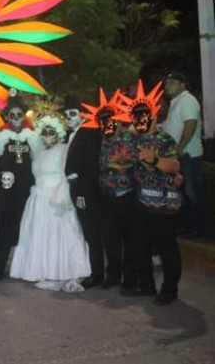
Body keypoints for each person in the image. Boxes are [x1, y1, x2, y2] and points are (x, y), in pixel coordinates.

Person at [6, 108, 91, 292]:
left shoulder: (64, 150)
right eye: (44, 133)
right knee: (38, 235)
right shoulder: (39, 153)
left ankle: (58, 270)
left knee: (57, 237)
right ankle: (38, 270)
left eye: (51, 132)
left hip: (55, 199)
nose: (47, 136)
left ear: (58, 133)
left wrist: (62, 194)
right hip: (37, 200)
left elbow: (66, 174)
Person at [121, 80, 183, 305]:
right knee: (137, 245)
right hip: (142, 202)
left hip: (164, 205)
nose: (138, 119)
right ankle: (147, 285)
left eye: (143, 114)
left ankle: (169, 290)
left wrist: (154, 159)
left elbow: (175, 166)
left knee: (167, 248)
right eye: (135, 116)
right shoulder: (135, 140)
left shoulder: (164, 139)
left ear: (153, 115)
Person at [81, 89, 138, 292]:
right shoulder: (103, 144)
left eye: (110, 120)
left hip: (127, 197)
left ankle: (130, 280)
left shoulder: (129, 140)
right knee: (111, 241)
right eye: (103, 122)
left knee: (129, 242)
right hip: (107, 199)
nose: (107, 125)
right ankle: (113, 275)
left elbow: (132, 165)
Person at [0, 95, 35, 281]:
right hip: (7, 192)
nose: (17, 118)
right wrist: (0, 175)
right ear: (7, 118)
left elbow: (40, 161)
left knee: (27, 227)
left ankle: (26, 267)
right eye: (13, 115)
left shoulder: (32, 138)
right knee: (4, 228)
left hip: (28, 192)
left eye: (20, 114)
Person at [61, 94, 105, 289]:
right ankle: (93, 270)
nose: (69, 117)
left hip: (86, 192)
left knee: (92, 232)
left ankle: (97, 274)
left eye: (72, 113)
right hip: (78, 190)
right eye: (66, 115)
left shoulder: (89, 133)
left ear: (82, 115)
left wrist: (82, 194)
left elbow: (91, 167)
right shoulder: (76, 133)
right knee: (87, 232)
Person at [162, 71, 206, 239]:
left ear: (182, 85)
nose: (168, 86)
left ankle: (197, 229)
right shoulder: (176, 102)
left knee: (192, 192)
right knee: (184, 193)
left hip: (188, 154)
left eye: (172, 83)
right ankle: (187, 227)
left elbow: (190, 125)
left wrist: (180, 148)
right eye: (167, 83)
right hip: (179, 155)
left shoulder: (188, 101)